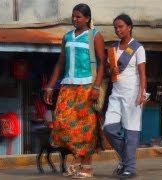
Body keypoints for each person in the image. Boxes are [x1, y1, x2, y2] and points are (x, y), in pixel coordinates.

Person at [44, 3, 105, 179]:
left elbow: (102, 63)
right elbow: (60, 62)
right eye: (73, 16)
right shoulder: (67, 36)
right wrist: (50, 85)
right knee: (62, 122)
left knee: (86, 126)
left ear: (87, 18)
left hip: (87, 85)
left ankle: (86, 166)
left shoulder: (95, 36)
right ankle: (78, 159)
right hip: (67, 86)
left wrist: (96, 86)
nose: (75, 19)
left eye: (78, 16)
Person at [103, 14, 146, 179]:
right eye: (115, 27)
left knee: (131, 131)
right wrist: (110, 71)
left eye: (121, 26)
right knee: (108, 128)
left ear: (129, 27)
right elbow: (108, 72)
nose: (118, 30)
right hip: (116, 94)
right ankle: (127, 160)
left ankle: (129, 168)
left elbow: (142, 73)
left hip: (132, 94)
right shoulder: (113, 50)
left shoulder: (138, 48)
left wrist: (142, 92)